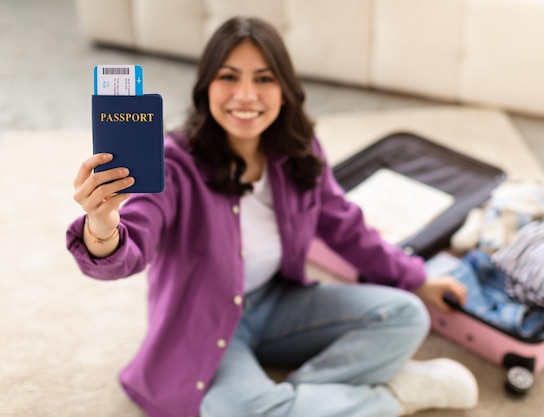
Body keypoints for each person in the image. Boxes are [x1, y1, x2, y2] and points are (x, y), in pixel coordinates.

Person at [67, 16, 478, 417]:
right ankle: (393, 396)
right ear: (206, 86)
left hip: (278, 301)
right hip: (204, 319)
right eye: (229, 77)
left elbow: (344, 225)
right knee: (240, 409)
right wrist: (102, 226)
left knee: (405, 315)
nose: (245, 95)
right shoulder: (173, 162)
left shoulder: (298, 151)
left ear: (284, 89)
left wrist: (415, 279)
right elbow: (133, 243)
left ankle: (294, 402)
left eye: (263, 79)